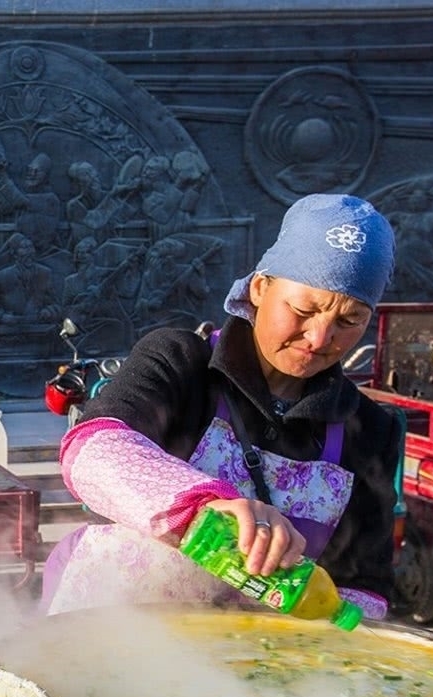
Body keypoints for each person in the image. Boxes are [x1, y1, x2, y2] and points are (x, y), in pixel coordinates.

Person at [39, 193, 401, 622]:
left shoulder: (370, 430)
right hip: (114, 630)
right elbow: (94, 452)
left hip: (247, 668)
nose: (320, 338)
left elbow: (362, 589)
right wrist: (207, 508)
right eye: (304, 309)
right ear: (261, 287)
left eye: (349, 320)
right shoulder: (179, 361)